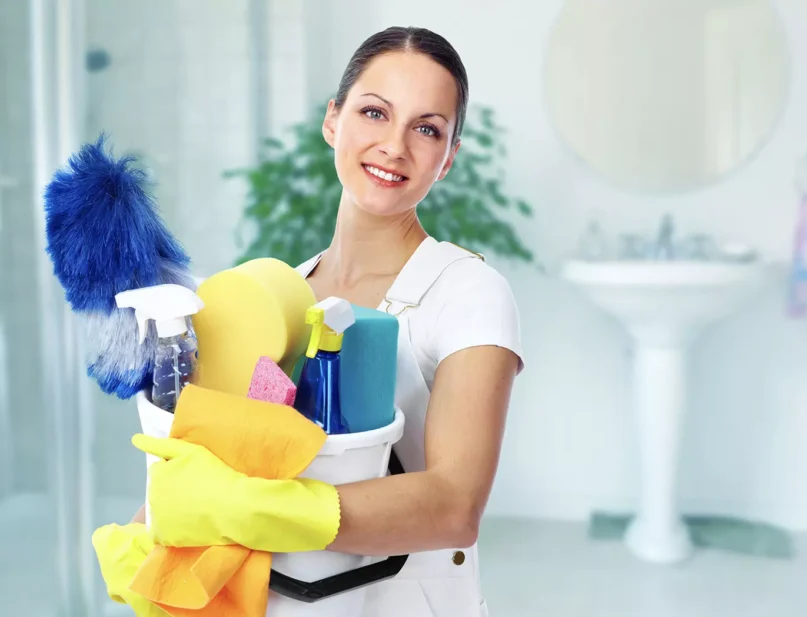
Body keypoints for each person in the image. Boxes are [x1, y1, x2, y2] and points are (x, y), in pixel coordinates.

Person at [111, 26, 524, 617]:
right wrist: (147, 531)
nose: (394, 146)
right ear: (333, 120)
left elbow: (454, 508)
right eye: (375, 112)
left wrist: (255, 509)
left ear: (449, 157)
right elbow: (213, 456)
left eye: (427, 128)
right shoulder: (277, 293)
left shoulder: (469, 292)